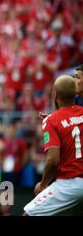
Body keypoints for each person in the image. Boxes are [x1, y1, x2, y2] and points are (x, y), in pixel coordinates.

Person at [24, 75, 83, 216]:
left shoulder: (51, 121)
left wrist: (43, 184)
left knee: (28, 214)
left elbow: (53, 161)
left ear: (54, 94)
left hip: (69, 184)